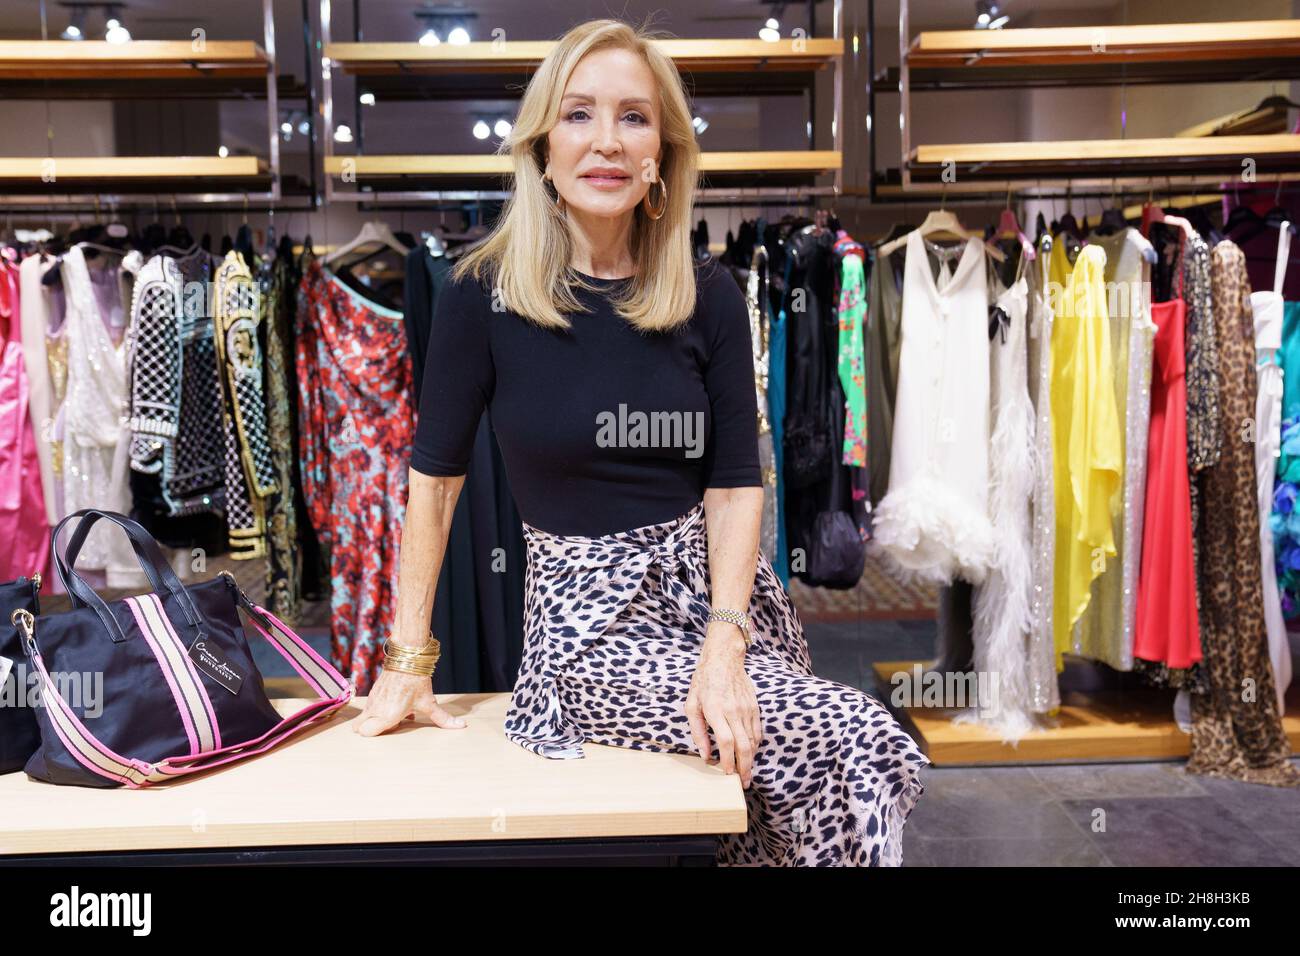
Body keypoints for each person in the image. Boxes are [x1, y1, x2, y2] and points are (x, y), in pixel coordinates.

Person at [351, 17, 928, 866]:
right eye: (580, 115)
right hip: (586, 633)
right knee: (852, 737)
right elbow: (434, 487)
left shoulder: (710, 294)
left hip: (719, 607)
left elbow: (736, 484)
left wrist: (724, 647)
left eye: (634, 117)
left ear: (662, 150)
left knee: (777, 765)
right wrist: (407, 659)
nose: (607, 142)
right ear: (544, 144)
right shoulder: (484, 296)